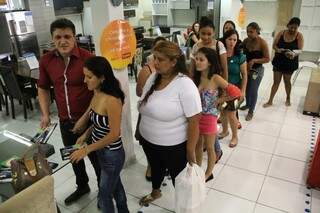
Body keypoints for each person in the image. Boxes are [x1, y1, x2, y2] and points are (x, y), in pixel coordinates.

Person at [37, 18, 100, 205]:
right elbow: (43, 88)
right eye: (58, 37)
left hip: (90, 122)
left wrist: (86, 117)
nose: (62, 41)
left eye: (67, 36)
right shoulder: (46, 60)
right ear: (52, 39)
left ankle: (104, 190)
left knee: (97, 160)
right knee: (74, 159)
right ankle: (82, 186)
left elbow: (99, 93)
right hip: (66, 122)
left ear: (74, 37)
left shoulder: (88, 59)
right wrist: (46, 113)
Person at [138, 41, 202, 206]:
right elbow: (143, 105)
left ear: (174, 62)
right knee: (156, 167)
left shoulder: (185, 85)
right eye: (154, 58)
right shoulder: (153, 77)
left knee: (178, 180)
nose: (155, 63)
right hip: (148, 140)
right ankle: (156, 192)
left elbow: (195, 120)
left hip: (173, 146)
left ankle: (183, 207)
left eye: (160, 59)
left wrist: (190, 150)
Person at [70, 56, 129, 213]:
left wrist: (87, 149)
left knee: (104, 195)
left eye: (89, 77)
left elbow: (114, 134)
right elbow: (95, 115)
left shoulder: (112, 100)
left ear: (102, 77)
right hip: (101, 150)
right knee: (116, 187)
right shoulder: (97, 91)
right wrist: (86, 133)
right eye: (85, 76)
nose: (85, 80)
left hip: (112, 154)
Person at [193, 47, 241, 181]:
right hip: (196, 117)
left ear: (209, 62)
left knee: (209, 147)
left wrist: (220, 100)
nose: (197, 62)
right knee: (198, 145)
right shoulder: (196, 77)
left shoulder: (215, 78)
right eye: (196, 59)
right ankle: (197, 169)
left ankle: (208, 173)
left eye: (201, 59)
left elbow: (236, 92)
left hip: (209, 118)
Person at [135, 36, 166, 182]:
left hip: (164, 115)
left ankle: (162, 166)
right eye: (158, 48)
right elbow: (138, 92)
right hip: (149, 113)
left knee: (162, 143)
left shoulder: (169, 68)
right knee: (148, 143)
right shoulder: (146, 70)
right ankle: (150, 166)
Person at [263, 17, 304, 107]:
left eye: (295, 28)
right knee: (276, 82)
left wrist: (293, 54)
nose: (293, 29)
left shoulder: (299, 36)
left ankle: (288, 98)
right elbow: (274, 45)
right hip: (279, 60)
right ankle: (270, 101)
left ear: (298, 27)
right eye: (291, 27)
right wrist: (278, 50)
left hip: (290, 62)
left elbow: (300, 50)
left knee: (287, 81)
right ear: (288, 25)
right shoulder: (281, 33)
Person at [220, 29, 247, 147]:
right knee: (222, 111)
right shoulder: (220, 54)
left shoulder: (240, 56)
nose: (232, 42)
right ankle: (225, 131)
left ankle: (235, 136)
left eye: (234, 39)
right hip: (221, 90)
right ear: (224, 40)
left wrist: (243, 91)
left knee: (232, 114)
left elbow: (245, 75)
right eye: (229, 39)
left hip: (235, 91)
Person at [240, 22, 270, 120]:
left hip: (257, 70)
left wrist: (254, 60)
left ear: (257, 31)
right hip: (246, 70)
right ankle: (248, 104)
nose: (249, 34)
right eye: (248, 31)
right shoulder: (246, 41)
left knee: (253, 90)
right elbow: (239, 49)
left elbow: (267, 59)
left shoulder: (262, 43)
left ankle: (251, 111)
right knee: (247, 89)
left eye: (251, 32)